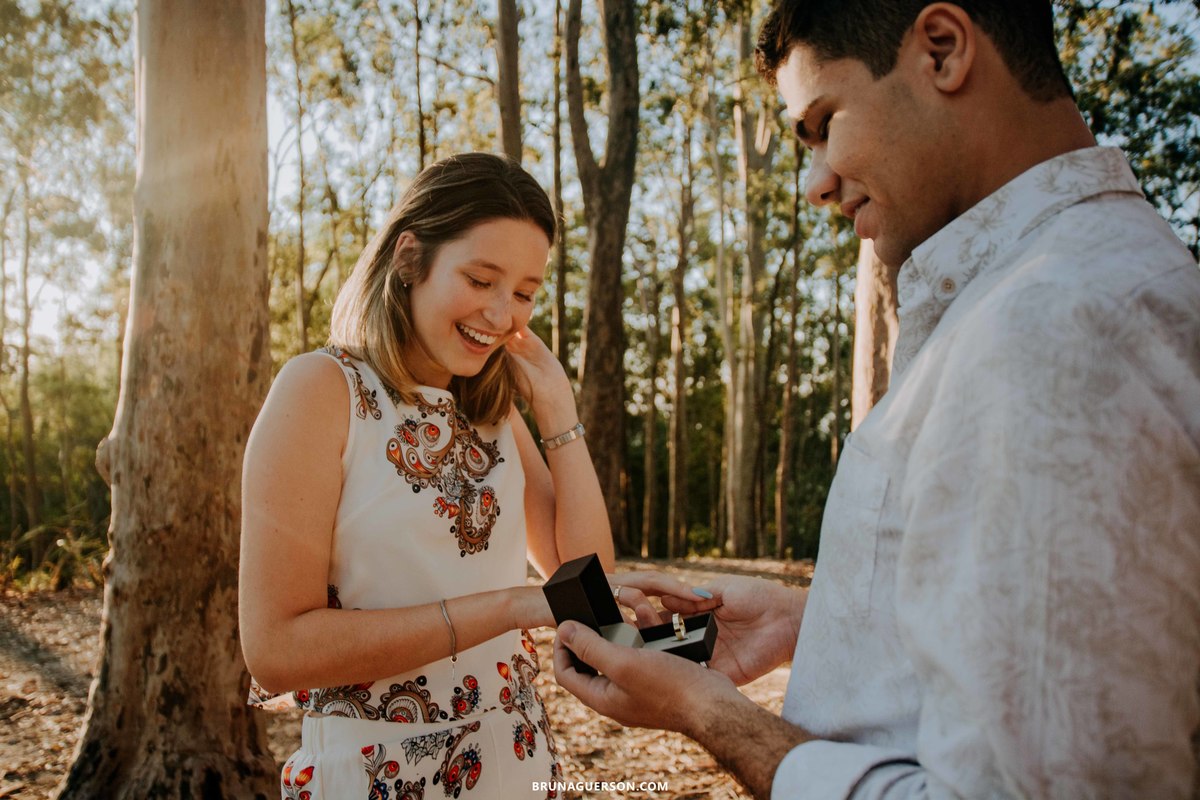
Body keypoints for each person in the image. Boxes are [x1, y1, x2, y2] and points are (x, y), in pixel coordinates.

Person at [553, 2, 1200, 797]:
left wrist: (709, 714)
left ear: (942, 49)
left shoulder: (1055, 325)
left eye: (824, 122)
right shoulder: (1030, 299)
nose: (817, 180)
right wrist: (811, 621)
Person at [239, 153, 687, 798]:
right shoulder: (321, 390)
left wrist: (557, 408)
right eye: (481, 279)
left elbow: (585, 575)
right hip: (378, 771)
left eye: (526, 293)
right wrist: (509, 606)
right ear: (408, 259)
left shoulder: (493, 410)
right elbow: (277, 650)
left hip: (517, 756)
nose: (504, 315)